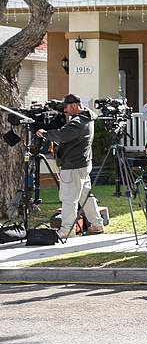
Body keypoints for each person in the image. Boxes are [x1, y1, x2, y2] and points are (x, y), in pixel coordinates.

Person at [35, 94, 104, 239]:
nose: (65, 111)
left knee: (68, 198)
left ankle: (67, 230)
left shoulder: (77, 122)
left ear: (74, 105)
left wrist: (45, 134)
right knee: (86, 196)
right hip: (83, 164)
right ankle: (97, 224)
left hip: (73, 165)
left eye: (66, 107)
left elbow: (62, 136)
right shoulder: (87, 117)